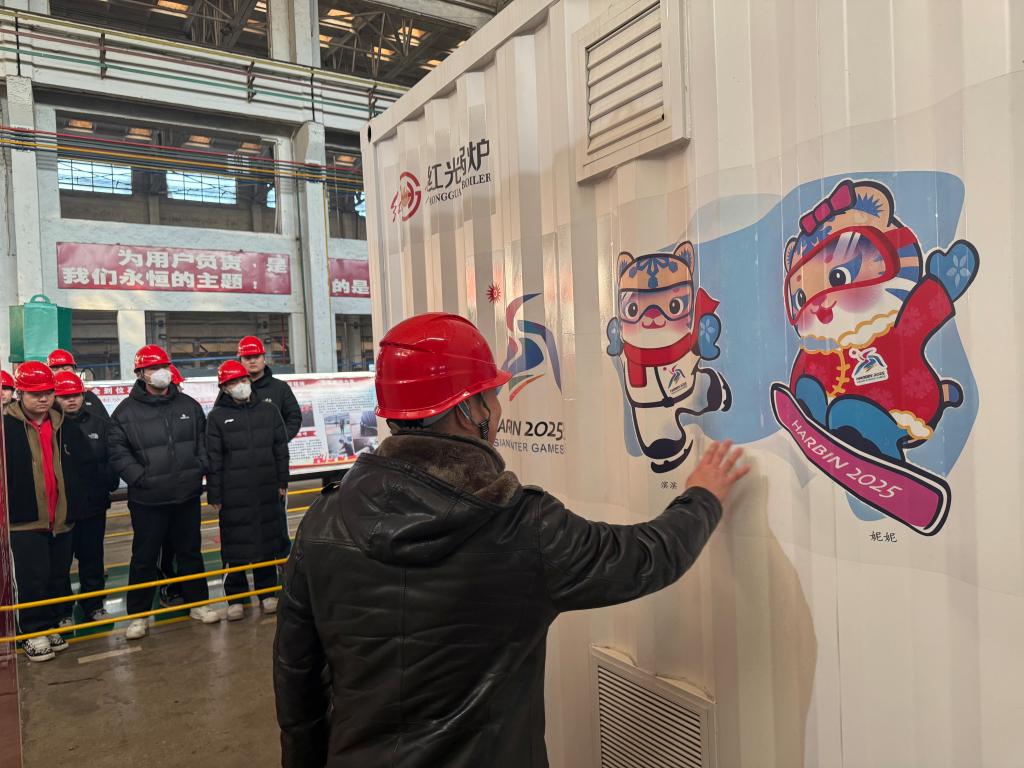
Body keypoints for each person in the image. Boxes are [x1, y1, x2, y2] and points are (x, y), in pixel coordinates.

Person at [273, 313, 750, 767]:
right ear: (468, 410)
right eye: (492, 396)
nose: (499, 410)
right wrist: (702, 498)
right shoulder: (522, 527)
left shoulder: (322, 523)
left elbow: (297, 681)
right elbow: (645, 558)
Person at [108, 344, 221, 640]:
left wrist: (198, 468)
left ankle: (198, 603)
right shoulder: (125, 412)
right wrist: (140, 477)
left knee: (190, 553)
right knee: (143, 558)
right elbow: (117, 451)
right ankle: (138, 615)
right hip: (148, 500)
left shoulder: (188, 406)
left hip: (186, 496)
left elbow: (203, 442)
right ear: (141, 373)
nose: (160, 372)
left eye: (163, 366)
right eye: (153, 368)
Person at [4, 362, 97, 662]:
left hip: (61, 517)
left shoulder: (64, 425)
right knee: (30, 579)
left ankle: (51, 623)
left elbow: (85, 466)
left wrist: (79, 504)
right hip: (24, 521)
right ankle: (32, 632)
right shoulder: (6, 428)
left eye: (47, 392)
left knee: (56, 576)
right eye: (35, 394)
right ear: (20, 394)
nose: (43, 399)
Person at [207, 360, 289, 621]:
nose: (239, 385)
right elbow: (213, 459)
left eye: (242, 380)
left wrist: (282, 482)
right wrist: (214, 494)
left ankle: (267, 593)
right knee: (234, 545)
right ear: (224, 388)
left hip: (266, 488)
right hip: (233, 493)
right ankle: (235, 598)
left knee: (267, 540)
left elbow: (280, 450)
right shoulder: (217, 417)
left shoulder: (269, 411)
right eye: (232, 383)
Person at [54, 371, 120, 623]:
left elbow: (113, 457)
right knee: (60, 563)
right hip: (61, 508)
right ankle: (62, 611)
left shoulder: (100, 424)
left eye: (76, 395)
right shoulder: (49, 427)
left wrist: (107, 482)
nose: (71, 400)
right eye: (64, 396)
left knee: (92, 559)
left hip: (93, 505)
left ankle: (93, 605)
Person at [237, 336, 300, 554]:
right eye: (247, 357)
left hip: (272, 467)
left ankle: (282, 562)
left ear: (264, 358)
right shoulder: (232, 389)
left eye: (256, 356)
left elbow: (294, 417)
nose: (252, 361)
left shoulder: (280, 389)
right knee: (245, 520)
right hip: (241, 470)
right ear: (240, 360)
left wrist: (278, 440)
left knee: (276, 520)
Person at [47, 349, 108, 419]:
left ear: (74, 370)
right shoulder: (45, 400)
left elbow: (106, 423)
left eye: (65, 368)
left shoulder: (90, 398)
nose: (60, 371)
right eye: (55, 369)